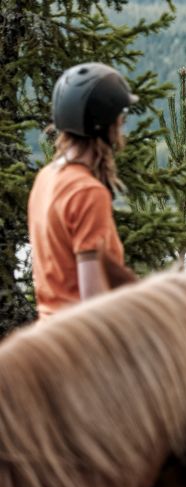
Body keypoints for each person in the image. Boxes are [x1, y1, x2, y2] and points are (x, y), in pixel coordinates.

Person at [28, 62, 137, 319]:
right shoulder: (87, 192)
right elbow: (93, 304)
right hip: (80, 346)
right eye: (119, 117)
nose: (121, 123)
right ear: (105, 124)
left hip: (50, 334)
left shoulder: (46, 178)